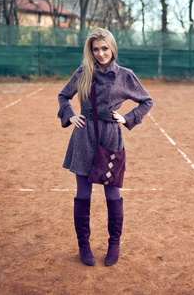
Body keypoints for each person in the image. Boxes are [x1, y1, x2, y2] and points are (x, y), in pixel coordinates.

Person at [57, 28, 153, 266]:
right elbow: (63, 96)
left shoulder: (125, 75)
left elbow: (147, 101)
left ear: (112, 48)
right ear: (90, 51)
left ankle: (114, 244)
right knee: (83, 194)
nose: (100, 53)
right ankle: (84, 246)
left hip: (111, 137)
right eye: (95, 49)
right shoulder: (83, 72)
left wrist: (127, 118)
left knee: (113, 192)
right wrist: (70, 116)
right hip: (83, 137)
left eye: (104, 48)